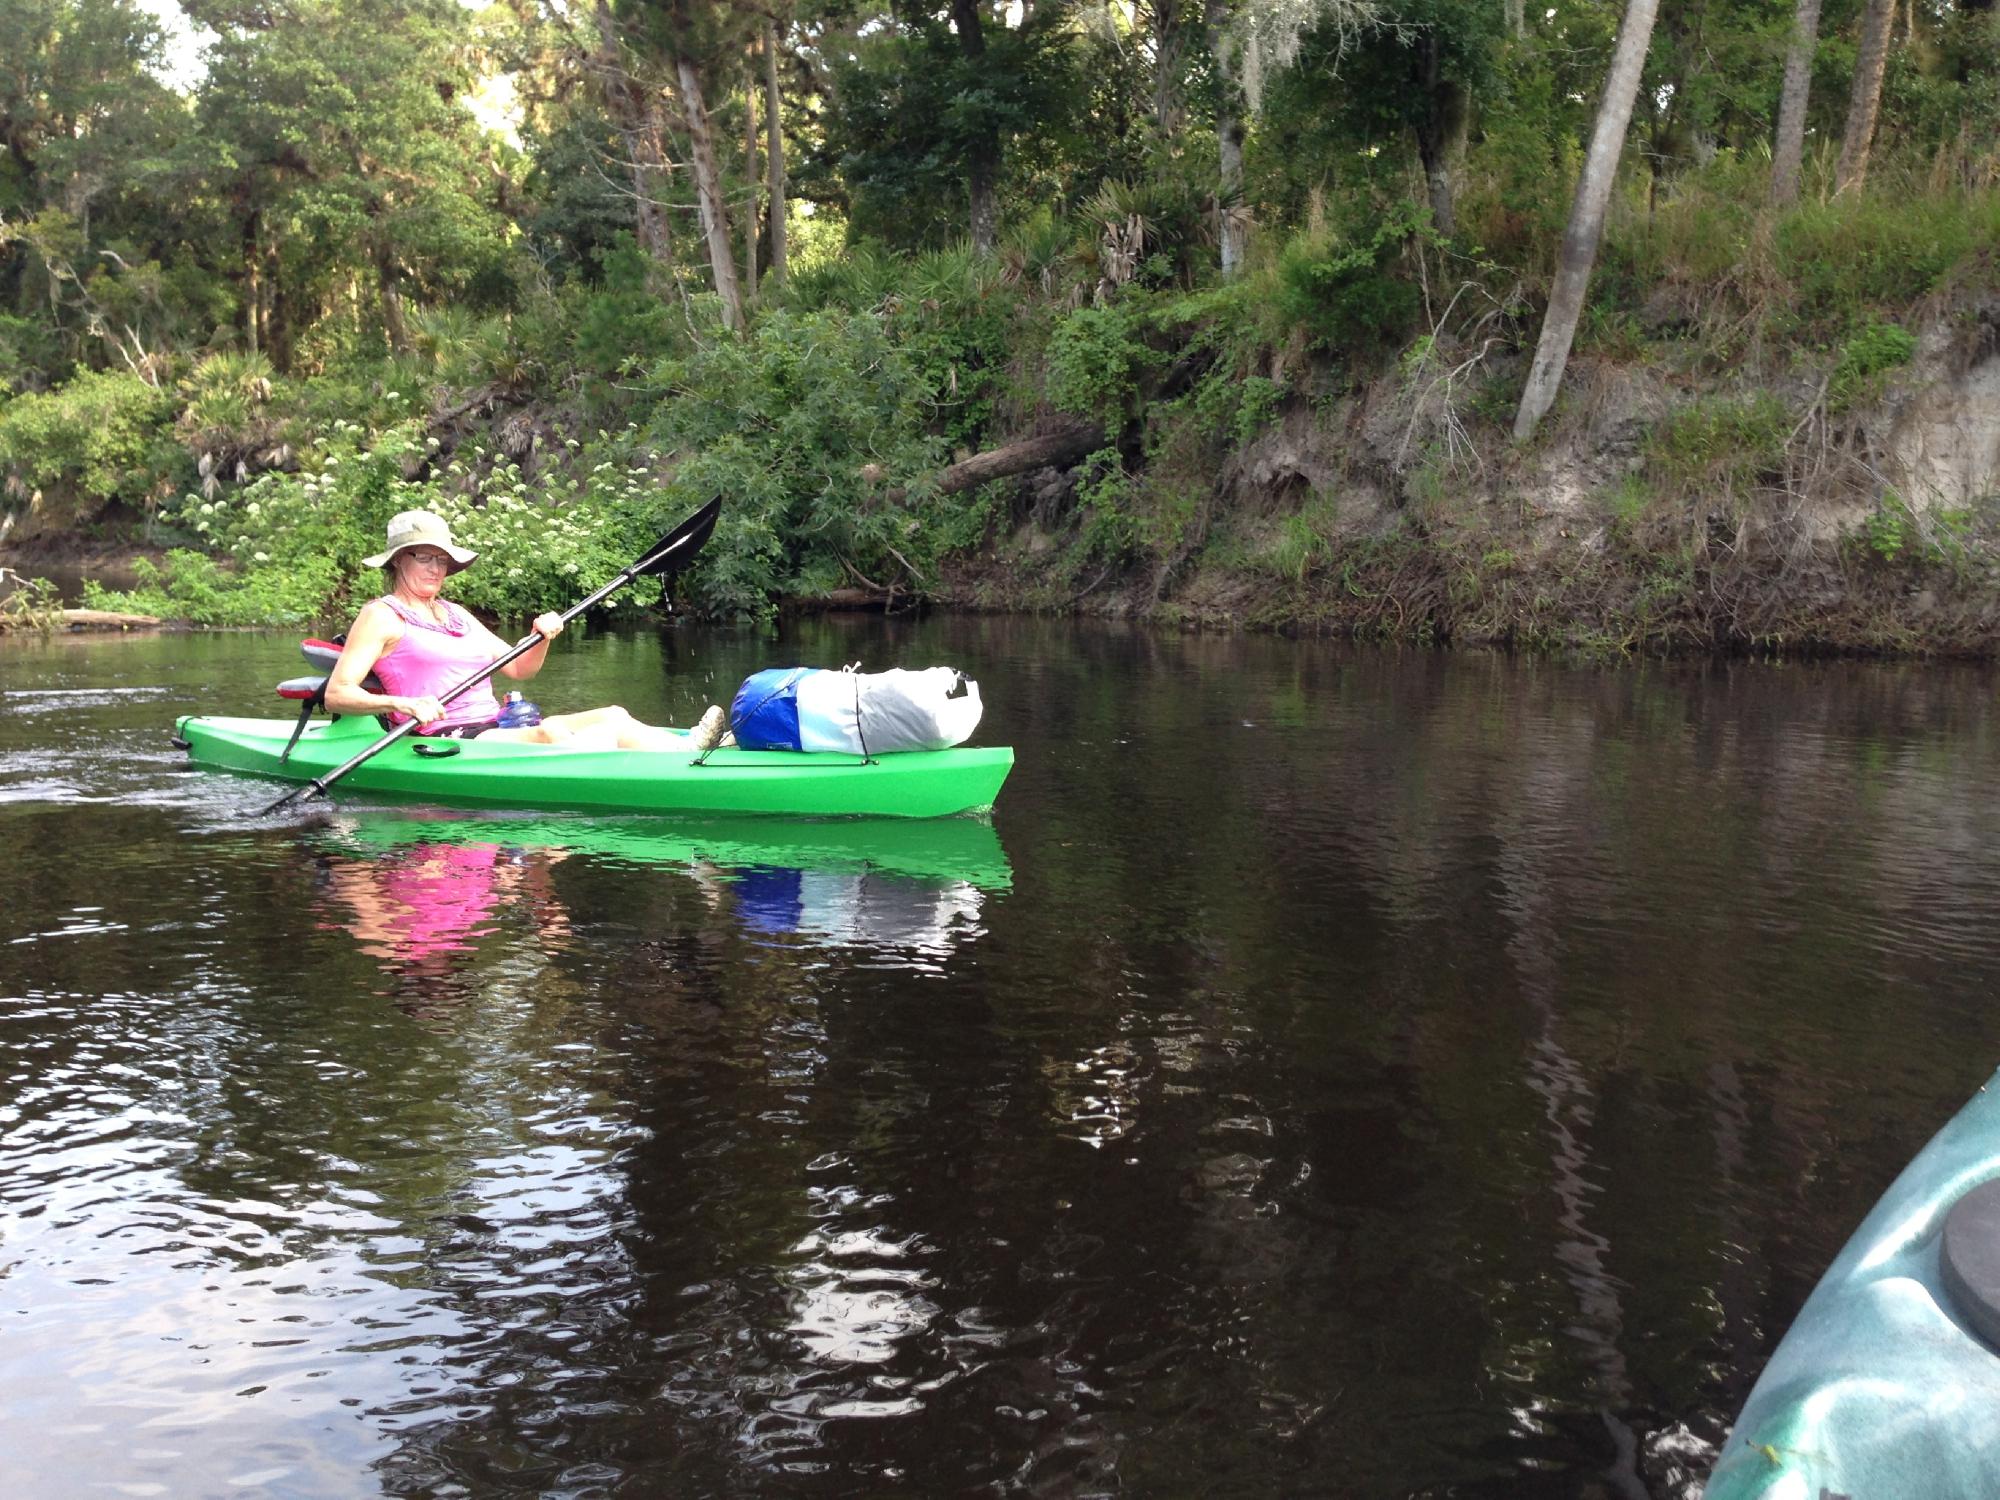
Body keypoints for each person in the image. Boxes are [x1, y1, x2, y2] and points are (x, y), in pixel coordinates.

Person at [324, 509, 727, 750]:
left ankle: (689, 748)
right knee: (551, 731)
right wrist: (403, 704)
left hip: (494, 726)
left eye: (443, 561)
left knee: (613, 713)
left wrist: (541, 637)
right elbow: (337, 694)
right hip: (445, 737)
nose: (436, 568)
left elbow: (518, 669)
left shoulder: (456, 614)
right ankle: (676, 760)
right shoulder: (381, 615)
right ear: (398, 561)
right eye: (425, 557)